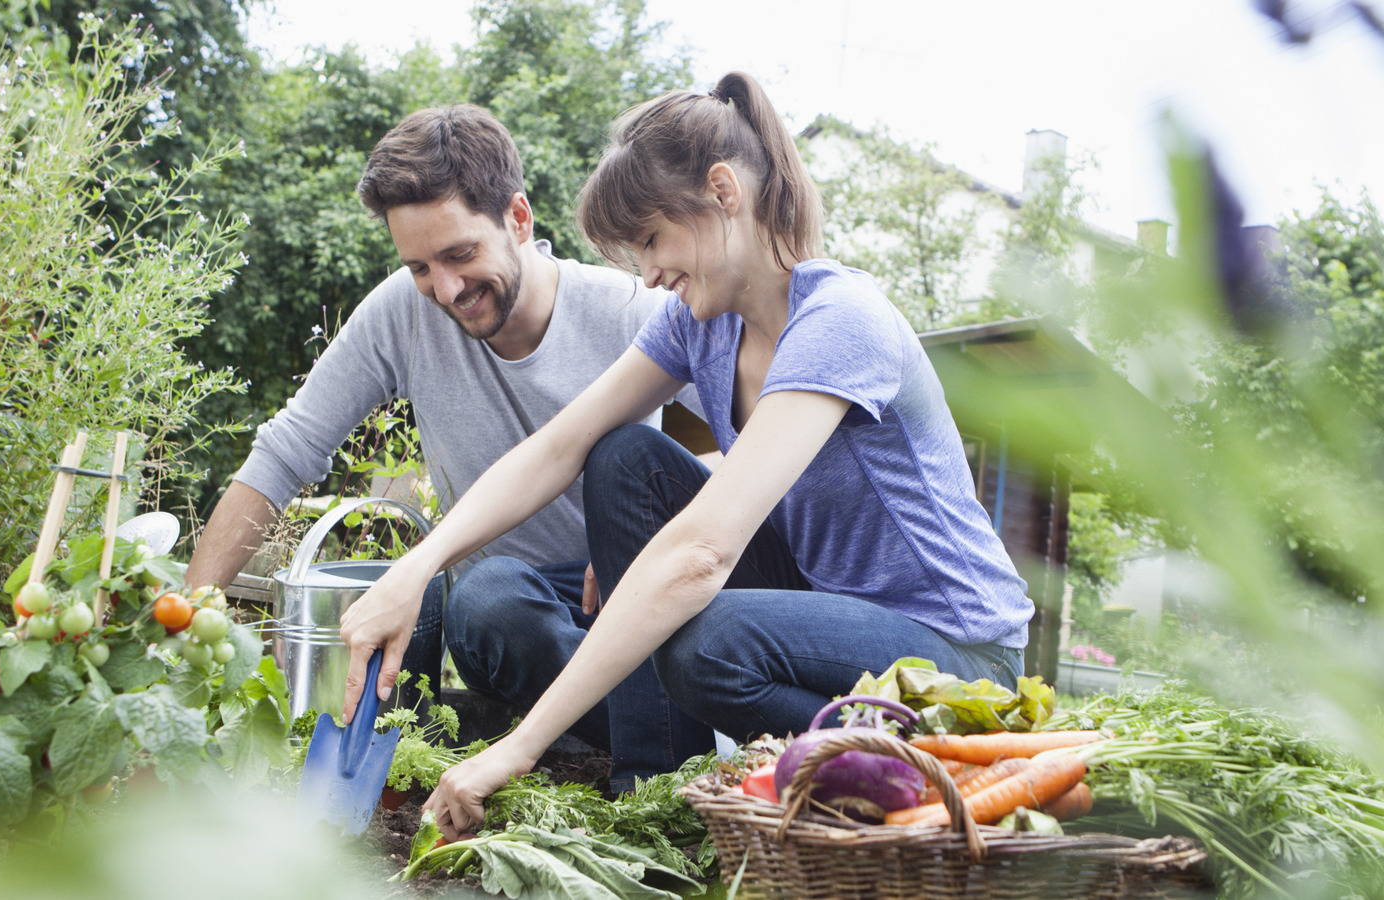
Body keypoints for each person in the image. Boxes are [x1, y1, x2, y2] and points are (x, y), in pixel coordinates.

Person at [336, 72, 1035, 841]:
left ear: (723, 193)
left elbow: (703, 553)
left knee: (708, 645)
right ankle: (651, 792)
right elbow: (561, 445)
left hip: (955, 653)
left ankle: (934, 761)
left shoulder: (841, 320)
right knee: (625, 459)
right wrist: (417, 567)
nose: (647, 273)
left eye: (651, 240)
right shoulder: (699, 321)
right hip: (826, 606)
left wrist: (519, 745)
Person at [183, 104, 704, 786]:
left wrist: (649, 541)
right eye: (420, 267)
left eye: (460, 255)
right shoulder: (401, 313)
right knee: (479, 598)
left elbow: (746, 449)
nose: (447, 289)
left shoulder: (631, 309)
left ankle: (657, 748)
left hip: (632, 603)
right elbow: (285, 453)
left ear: (518, 218)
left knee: (620, 463)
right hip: (512, 618)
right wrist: (187, 615)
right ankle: (661, 730)